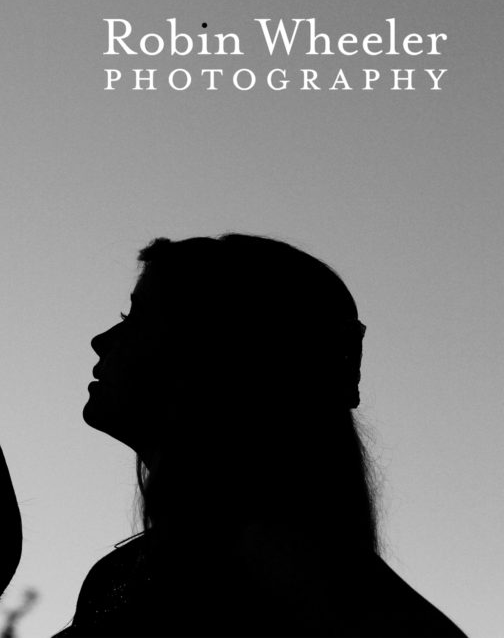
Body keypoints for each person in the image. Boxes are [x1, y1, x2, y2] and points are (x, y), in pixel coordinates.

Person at [56, 234, 466, 637]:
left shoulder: (293, 563)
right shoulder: (133, 572)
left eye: (138, 319)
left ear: (221, 355)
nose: (102, 341)